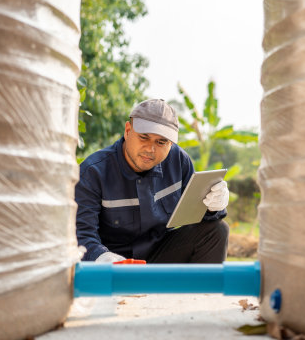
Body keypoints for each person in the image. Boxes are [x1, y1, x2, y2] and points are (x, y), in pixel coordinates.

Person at [75, 98, 230, 263]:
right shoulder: (92, 172)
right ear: (128, 131)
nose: (150, 149)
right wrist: (101, 257)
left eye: (161, 142)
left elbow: (197, 217)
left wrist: (213, 207)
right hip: (114, 261)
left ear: (170, 144)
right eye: (144, 137)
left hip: (161, 253)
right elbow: (82, 234)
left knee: (217, 231)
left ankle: (202, 289)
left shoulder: (179, 162)